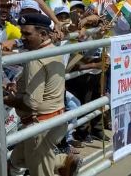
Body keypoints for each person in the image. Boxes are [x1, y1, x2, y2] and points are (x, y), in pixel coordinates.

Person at [5, 13, 79, 176]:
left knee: (39, 170)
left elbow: (32, 103)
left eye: (27, 34)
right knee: (17, 160)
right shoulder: (52, 49)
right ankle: (63, 161)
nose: (22, 38)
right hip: (55, 119)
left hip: (40, 125)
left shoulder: (35, 59)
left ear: (43, 34)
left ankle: (61, 161)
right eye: (21, 33)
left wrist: (11, 100)